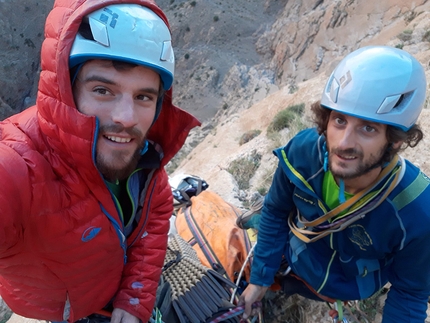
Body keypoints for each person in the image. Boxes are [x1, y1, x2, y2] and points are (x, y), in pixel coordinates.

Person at [0, 1, 200, 323]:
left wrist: (135, 295)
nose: (126, 118)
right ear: (66, 88)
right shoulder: (17, 166)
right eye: (103, 90)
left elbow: (156, 213)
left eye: (143, 97)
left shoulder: (145, 164)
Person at [239, 45, 430, 323]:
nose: (343, 143)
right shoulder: (303, 153)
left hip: (351, 285)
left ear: (396, 139)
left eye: (368, 128)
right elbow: (277, 211)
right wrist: (260, 279)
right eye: (339, 120)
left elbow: (409, 293)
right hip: (298, 261)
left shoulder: (416, 211)